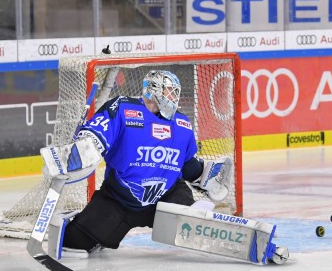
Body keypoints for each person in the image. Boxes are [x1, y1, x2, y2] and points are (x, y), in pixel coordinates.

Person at [42, 70, 236, 258]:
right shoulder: (123, 108)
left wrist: (205, 178)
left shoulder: (182, 124)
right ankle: (84, 226)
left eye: (175, 91)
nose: (174, 96)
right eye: (169, 90)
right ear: (153, 89)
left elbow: (185, 164)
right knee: (73, 244)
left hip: (167, 196)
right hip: (118, 199)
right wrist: (81, 150)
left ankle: (197, 216)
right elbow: (97, 135)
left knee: (194, 227)